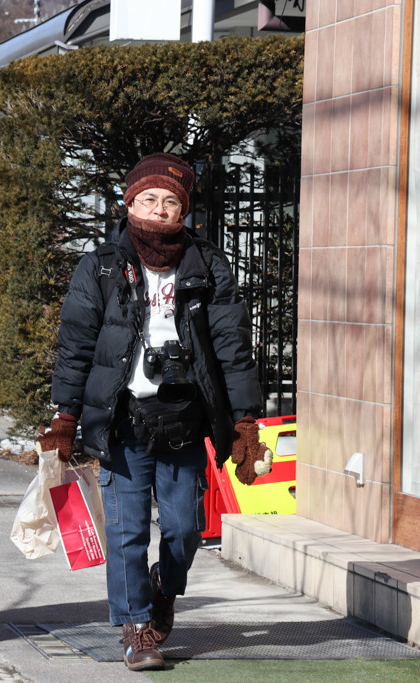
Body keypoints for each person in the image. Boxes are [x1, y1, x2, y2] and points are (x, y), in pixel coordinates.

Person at [37, 153, 268, 671]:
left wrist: (245, 421)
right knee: (126, 530)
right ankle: (136, 627)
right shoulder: (98, 266)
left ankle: (165, 584)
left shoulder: (208, 265)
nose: (159, 210)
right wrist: (65, 416)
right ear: (129, 202)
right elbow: (76, 345)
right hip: (122, 418)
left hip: (185, 417)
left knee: (185, 529)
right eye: (149, 199)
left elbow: (232, 346)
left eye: (171, 202)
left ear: (183, 211)